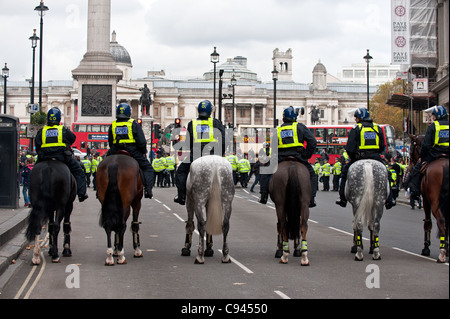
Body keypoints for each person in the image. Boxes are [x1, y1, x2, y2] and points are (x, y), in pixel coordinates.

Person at [335, 107, 396, 209]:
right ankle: (390, 200)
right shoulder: (377, 128)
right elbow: (382, 146)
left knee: (345, 173)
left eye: (356, 118)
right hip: (375, 157)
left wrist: (353, 157)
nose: (355, 120)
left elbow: (349, 148)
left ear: (359, 118)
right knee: (387, 174)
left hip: (359, 158)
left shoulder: (356, 128)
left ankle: (342, 199)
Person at [260, 106, 317, 207]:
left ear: (283, 118)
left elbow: (273, 148)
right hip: (298, 156)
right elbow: (312, 142)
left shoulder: (278, 129)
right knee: (312, 175)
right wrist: (306, 155)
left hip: (281, 157)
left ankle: (263, 195)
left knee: (265, 172)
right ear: (295, 117)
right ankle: (312, 198)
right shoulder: (300, 126)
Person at [174, 100, 225, 205]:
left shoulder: (192, 123)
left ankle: (181, 195)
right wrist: (220, 154)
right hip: (214, 153)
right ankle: (225, 196)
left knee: (181, 172)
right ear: (210, 111)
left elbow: (188, 143)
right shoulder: (216, 122)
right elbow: (224, 140)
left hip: (196, 154)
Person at [35, 107, 88, 202]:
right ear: (59, 118)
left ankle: (32, 196)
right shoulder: (63, 130)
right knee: (79, 171)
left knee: (33, 173)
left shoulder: (42, 131)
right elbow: (73, 138)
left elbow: (37, 145)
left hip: (45, 159)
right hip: (62, 158)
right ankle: (81, 194)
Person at [106, 103, 154, 198]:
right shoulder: (133, 124)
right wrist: (143, 151)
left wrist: (113, 150)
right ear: (129, 113)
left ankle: (98, 190)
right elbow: (141, 141)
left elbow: (110, 141)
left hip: (116, 149)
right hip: (132, 150)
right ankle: (148, 190)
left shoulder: (113, 124)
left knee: (101, 166)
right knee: (148, 168)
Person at [410, 105, 449, 201]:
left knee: (416, 172)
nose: (433, 117)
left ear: (437, 115)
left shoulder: (433, 126)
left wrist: (421, 157)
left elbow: (426, 145)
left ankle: (415, 193)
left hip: (435, 155)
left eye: (434, 115)